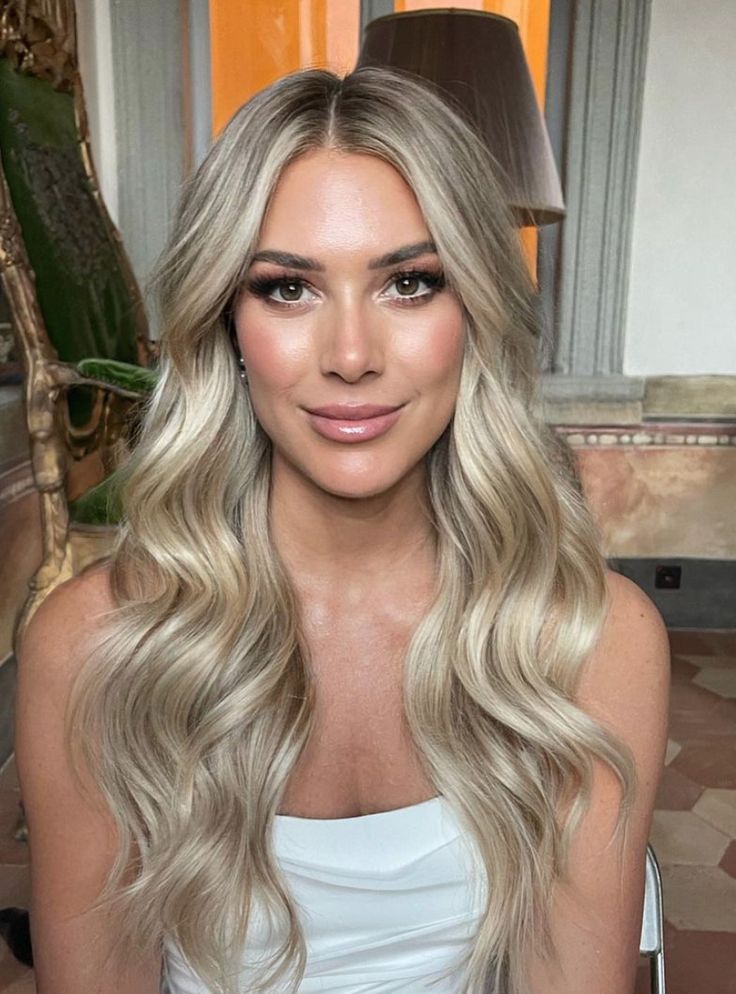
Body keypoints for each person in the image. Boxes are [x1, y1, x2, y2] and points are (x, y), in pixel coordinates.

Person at [14, 66, 670, 994]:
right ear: (226, 324)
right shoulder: (97, 649)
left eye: (410, 282)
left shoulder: (590, 639)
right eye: (288, 290)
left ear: (475, 312)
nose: (352, 356)